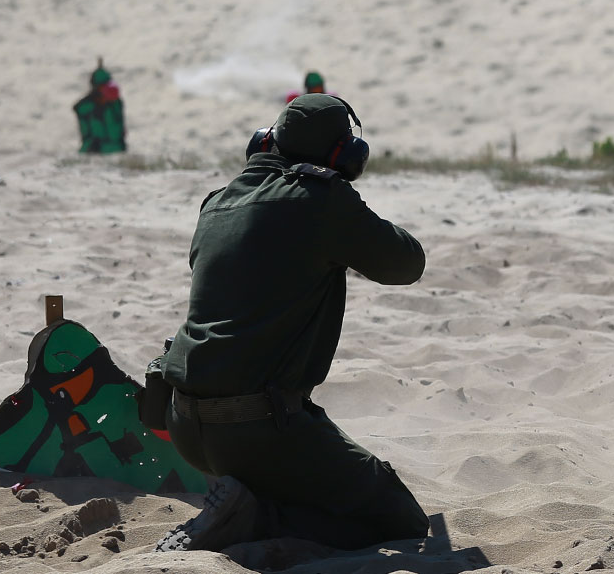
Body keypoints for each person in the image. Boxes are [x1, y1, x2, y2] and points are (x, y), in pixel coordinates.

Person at [152, 93, 431, 552]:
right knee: (400, 521)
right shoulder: (321, 199)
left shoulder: (217, 202)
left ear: (266, 141)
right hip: (257, 429)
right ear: (344, 154)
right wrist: (347, 207)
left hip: (184, 420)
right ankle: (256, 518)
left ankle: (245, 503)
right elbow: (407, 264)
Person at [73, 59, 127, 154]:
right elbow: (79, 109)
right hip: (94, 151)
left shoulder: (115, 104)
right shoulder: (87, 105)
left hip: (116, 149)